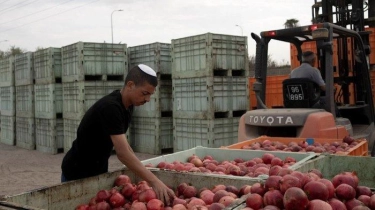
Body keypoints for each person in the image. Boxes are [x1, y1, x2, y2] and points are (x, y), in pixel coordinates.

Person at [61, 64, 175, 205]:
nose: (148, 100)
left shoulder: (127, 106)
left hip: (97, 171)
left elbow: (125, 147)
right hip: (77, 173)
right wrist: (154, 181)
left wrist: (141, 171)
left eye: (150, 95)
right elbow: (122, 154)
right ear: (130, 85)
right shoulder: (111, 108)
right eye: (145, 93)